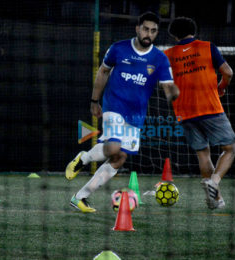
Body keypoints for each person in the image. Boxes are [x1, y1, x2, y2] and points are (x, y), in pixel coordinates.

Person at [65, 11, 179, 213]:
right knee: (113, 148)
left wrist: (174, 94)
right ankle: (83, 158)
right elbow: (103, 72)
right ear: (137, 28)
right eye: (145, 29)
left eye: (153, 31)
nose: (149, 34)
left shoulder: (160, 59)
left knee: (119, 159)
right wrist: (94, 100)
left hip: (136, 116)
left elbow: (168, 86)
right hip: (114, 106)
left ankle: (79, 197)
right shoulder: (118, 48)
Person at [164, 17, 235, 210]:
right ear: (193, 31)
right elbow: (228, 72)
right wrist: (221, 87)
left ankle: (215, 200)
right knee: (230, 148)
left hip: (184, 112)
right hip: (210, 107)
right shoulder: (207, 46)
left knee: (203, 154)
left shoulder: (168, 54)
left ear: (174, 35)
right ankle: (214, 181)